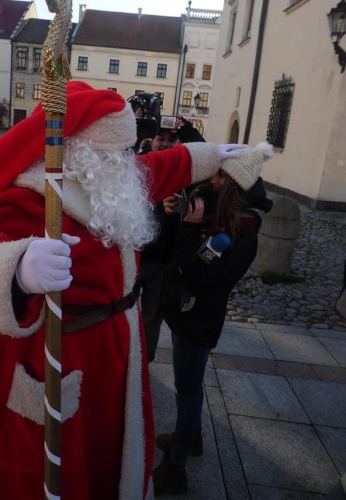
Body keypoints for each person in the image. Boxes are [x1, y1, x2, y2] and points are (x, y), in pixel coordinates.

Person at [0, 80, 242, 500]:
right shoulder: (34, 194)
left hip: (113, 354)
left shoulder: (109, 176)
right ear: (76, 150)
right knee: (54, 473)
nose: (127, 162)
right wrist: (18, 268)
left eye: (127, 151)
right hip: (58, 358)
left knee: (107, 461)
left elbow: (157, 169)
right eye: (116, 153)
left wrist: (213, 155)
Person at [153, 141, 274, 497]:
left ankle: (175, 467)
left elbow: (195, 272)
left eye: (221, 175)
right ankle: (191, 437)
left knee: (188, 393)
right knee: (188, 388)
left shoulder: (240, 232)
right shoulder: (226, 214)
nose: (213, 180)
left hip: (198, 320)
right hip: (191, 315)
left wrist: (190, 228)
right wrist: (179, 214)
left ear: (236, 183)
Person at [136, 117, 205, 363]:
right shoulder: (138, 163)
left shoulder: (183, 172)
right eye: (160, 138)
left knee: (151, 319)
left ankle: (144, 366)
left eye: (171, 139)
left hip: (163, 262)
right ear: (151, 140)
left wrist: (187, 130)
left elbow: (204, 154)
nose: (165, 144)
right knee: (122, 315)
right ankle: (123, 363)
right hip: (134, 257)